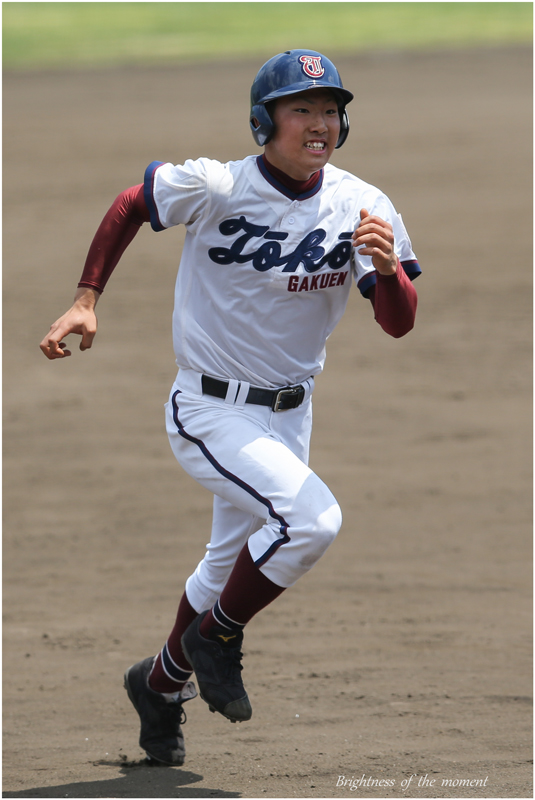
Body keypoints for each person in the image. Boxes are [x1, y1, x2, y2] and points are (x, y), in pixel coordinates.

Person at [40, 49, 421, 766]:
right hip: (210, 410)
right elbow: (132, 202)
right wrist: (86, 297)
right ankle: (212, 637)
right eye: (300, 109)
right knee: (310, 520)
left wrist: (386, 268)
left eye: (330, 110)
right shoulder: (218, 185)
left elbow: (397, 322)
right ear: (263, 121)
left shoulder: (364, 205)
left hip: (290, 414)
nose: (319, 124)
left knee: (224, 566)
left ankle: (157, 683)